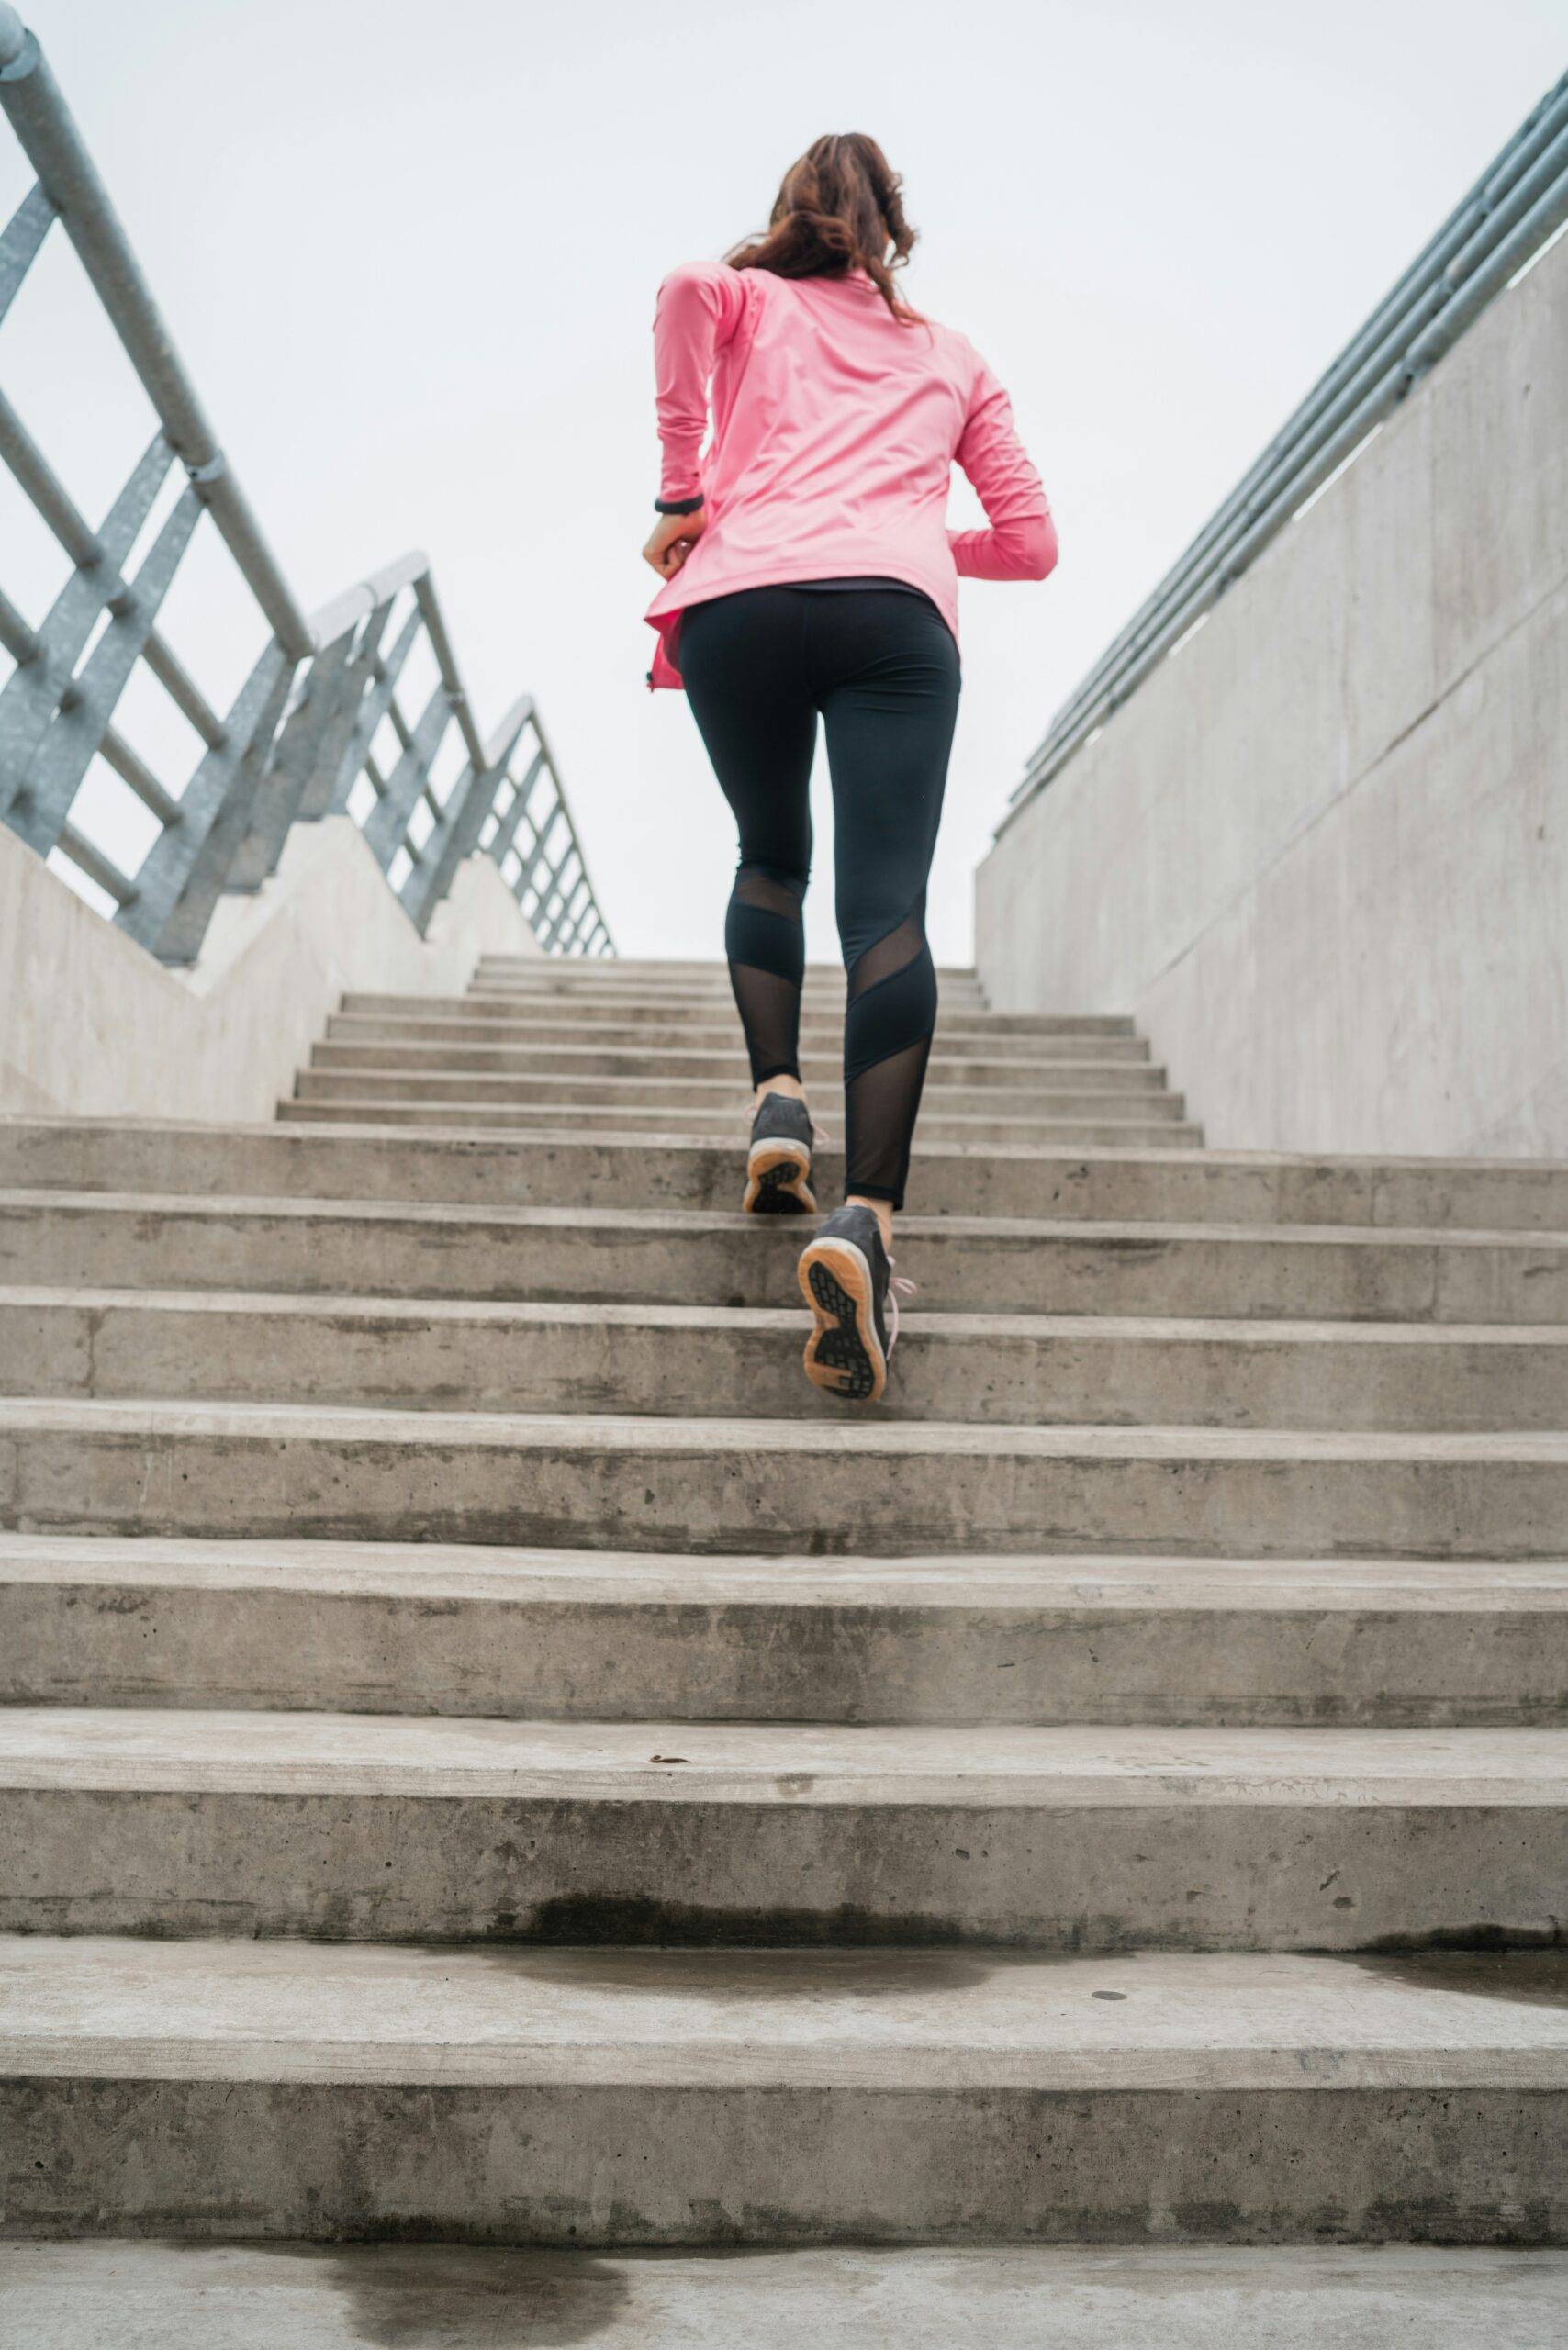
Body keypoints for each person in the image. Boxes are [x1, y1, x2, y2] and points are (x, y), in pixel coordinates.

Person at [642, 131, 1057, 1404]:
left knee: (771, 855)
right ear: (891, 233)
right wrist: (911, 534)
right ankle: (866, 1220)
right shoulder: (952, 357)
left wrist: (680, 495)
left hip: (742, 601)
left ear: (790, 215)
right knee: (886, 914)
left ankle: (777, 1098)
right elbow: (1032, 543)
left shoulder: (748, 300)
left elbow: (681, 289)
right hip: (892, 618)